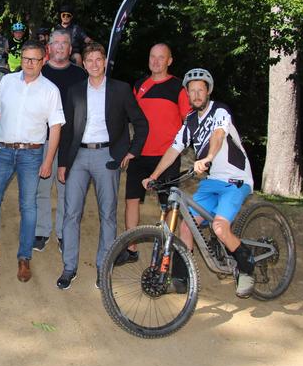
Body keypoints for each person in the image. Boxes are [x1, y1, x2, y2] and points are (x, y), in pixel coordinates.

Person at [142, 68, 256, 298]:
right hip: (212, 182)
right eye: (191, 91)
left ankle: (247, 267)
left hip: (235, 180)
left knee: (220, 227)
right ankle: (181, 280)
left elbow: (218, 135)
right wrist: (154, 176)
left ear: (208, 91)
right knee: (186, 227)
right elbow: (174, 149)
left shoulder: (220, 111)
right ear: (187, 94)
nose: (196, 95)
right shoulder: (190, 121)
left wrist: (208, 158)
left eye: (200, 90)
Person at [56, 43, 148, 290]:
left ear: (105, 62)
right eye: (90, 60)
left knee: (107, 215)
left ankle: (103, 267)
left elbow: (141, 123)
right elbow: (66, 131)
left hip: (107, 156)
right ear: (84, 65)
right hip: (78, 157)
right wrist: (63, 162)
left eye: (99, 59)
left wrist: (131, 152)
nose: (94, 64)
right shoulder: (75, 91)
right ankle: (69, 267)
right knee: (71, 213)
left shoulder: (121, 89)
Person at [0, 40, 65, 282]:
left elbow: (55, 128)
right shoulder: (8, 81)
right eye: (25, 58)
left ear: (43, 60)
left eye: (34, 59)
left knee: (28, 206)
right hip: (3, 151)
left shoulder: (51, 90)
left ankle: (24, 258)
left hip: (32, 154)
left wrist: (48, 159)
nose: (29, 63)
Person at [122, 43, 191, 259]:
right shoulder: (140, 85)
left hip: (167, 157)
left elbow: (189, 121)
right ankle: (130, 248)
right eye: (153, 57)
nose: (156, 61)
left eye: (161, 57)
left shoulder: (179, 87)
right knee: (132, 200)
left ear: (169, 61)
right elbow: (130, 116)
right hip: (140, 154)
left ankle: (166, 251)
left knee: (168, 204)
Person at [34, 29, 87, 253]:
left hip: (71, 142)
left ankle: (65, 233)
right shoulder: (38, 72)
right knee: (42, 189)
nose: (60, 47)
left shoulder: (80, 75)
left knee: (67, 190)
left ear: (70, 48)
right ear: (49, 47)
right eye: (56, 43)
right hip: (42, 139)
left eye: (64, 43)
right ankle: (41, 230)